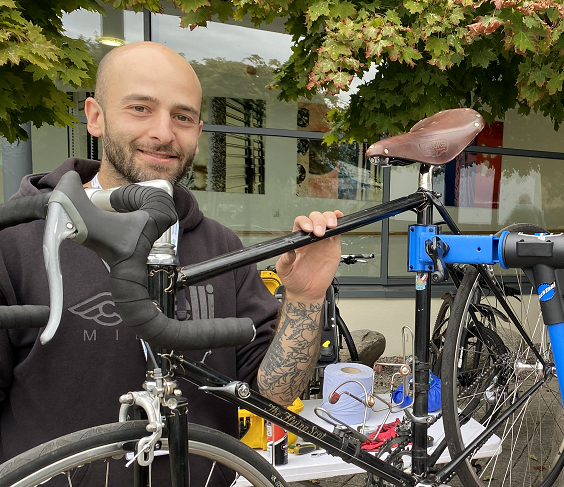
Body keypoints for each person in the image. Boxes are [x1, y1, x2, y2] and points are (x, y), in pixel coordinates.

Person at [0, 42, 342, 484]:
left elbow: (273, 395)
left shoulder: (220, 245)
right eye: (141, 108)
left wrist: (305, 299)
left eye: (182, 116)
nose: (164, 133)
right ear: (95, 116)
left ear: (198, 130)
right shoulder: (17, 241)